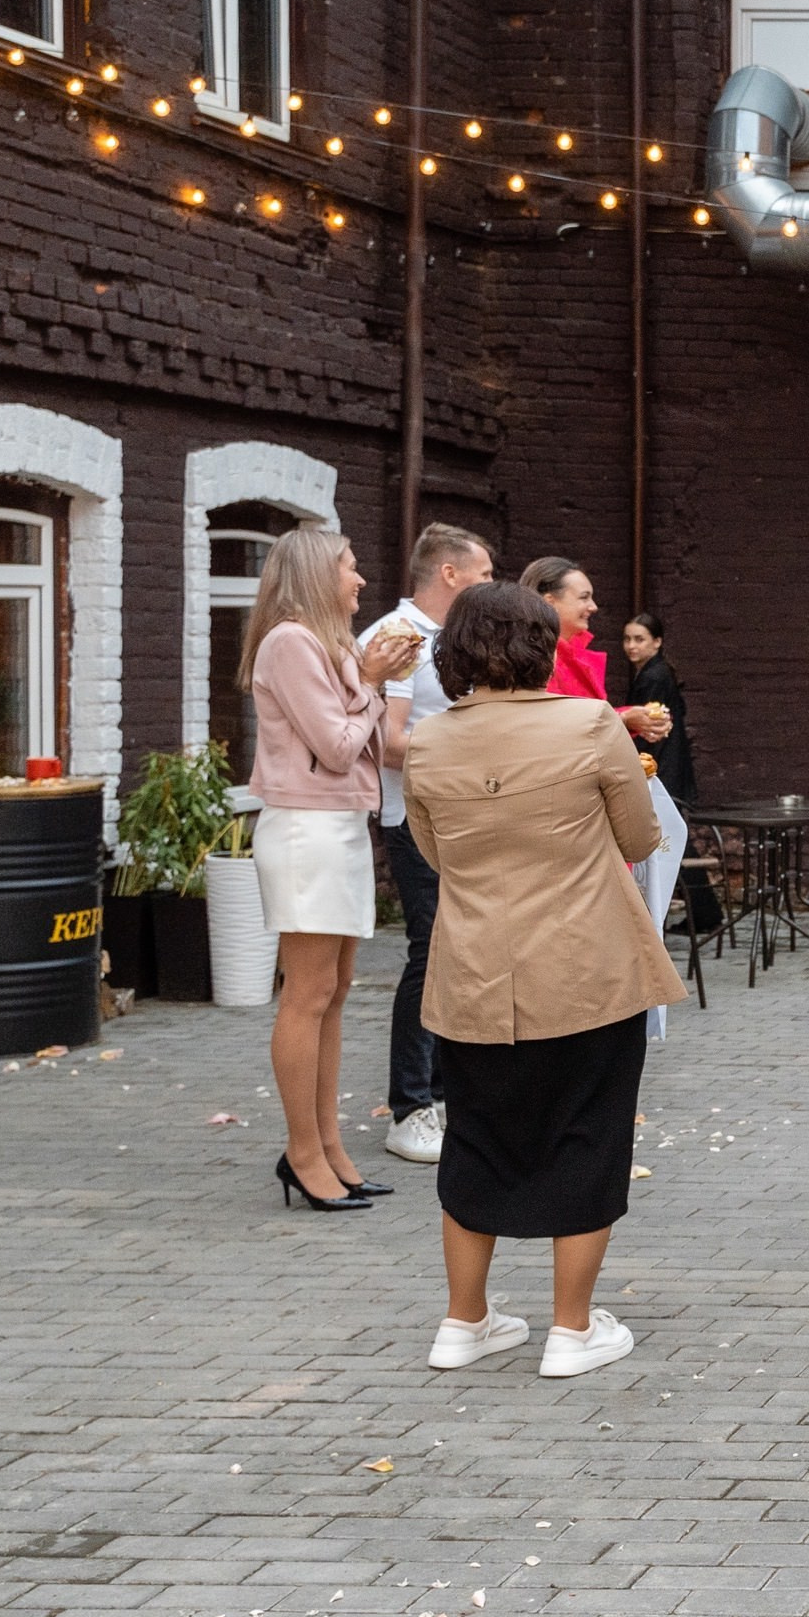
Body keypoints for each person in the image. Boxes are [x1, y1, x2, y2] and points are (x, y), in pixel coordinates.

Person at [403, 582, 687, 1378]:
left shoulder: (429, 742)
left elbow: (432, 853)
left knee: (476, 1136)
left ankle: (464, 1321)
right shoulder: (589, 724)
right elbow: (639, 832)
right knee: (589, 1132)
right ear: (540, 647)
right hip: (584, 963)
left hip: (473, 970)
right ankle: (572, 1327)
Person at [243, 527, 417, 1212]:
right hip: (305, 830)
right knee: (307, 991)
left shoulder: (330, 644)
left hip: (336, 826)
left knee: (336, 987)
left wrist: (374, 678)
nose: (361, 580)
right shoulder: (290, 642)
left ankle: (329, 1145)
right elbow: (339, 746)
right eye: (350, 566)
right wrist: (372, 683)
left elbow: (362, 736)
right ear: (319, 574)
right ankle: (302, 1152)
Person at [365, 523, 495, 1164]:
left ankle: (444, 1096)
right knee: (431, 953)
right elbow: (385, 741)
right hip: (415, 818)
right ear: (450, 573)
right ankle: (409, 1106)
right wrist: (466, 751)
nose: (490, 583)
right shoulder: (398, 637)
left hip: (462, 816)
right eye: (485, 572)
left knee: (460, 954)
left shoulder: (452, 637)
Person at [516, 556, 671, 750]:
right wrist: (623, 719)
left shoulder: (564, 653)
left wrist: (630, 717)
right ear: (550, 602)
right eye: (584, 597)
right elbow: (555, 723)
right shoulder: (538, 658)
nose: (593, 606)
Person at [621, 613, 698, 807]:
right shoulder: (657, 671)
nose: (631, 646)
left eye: (639, 639)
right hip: (669, 762)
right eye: (627, 639)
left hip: (661, 764)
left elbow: (648, 727)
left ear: (657, 642)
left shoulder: (653, 677)